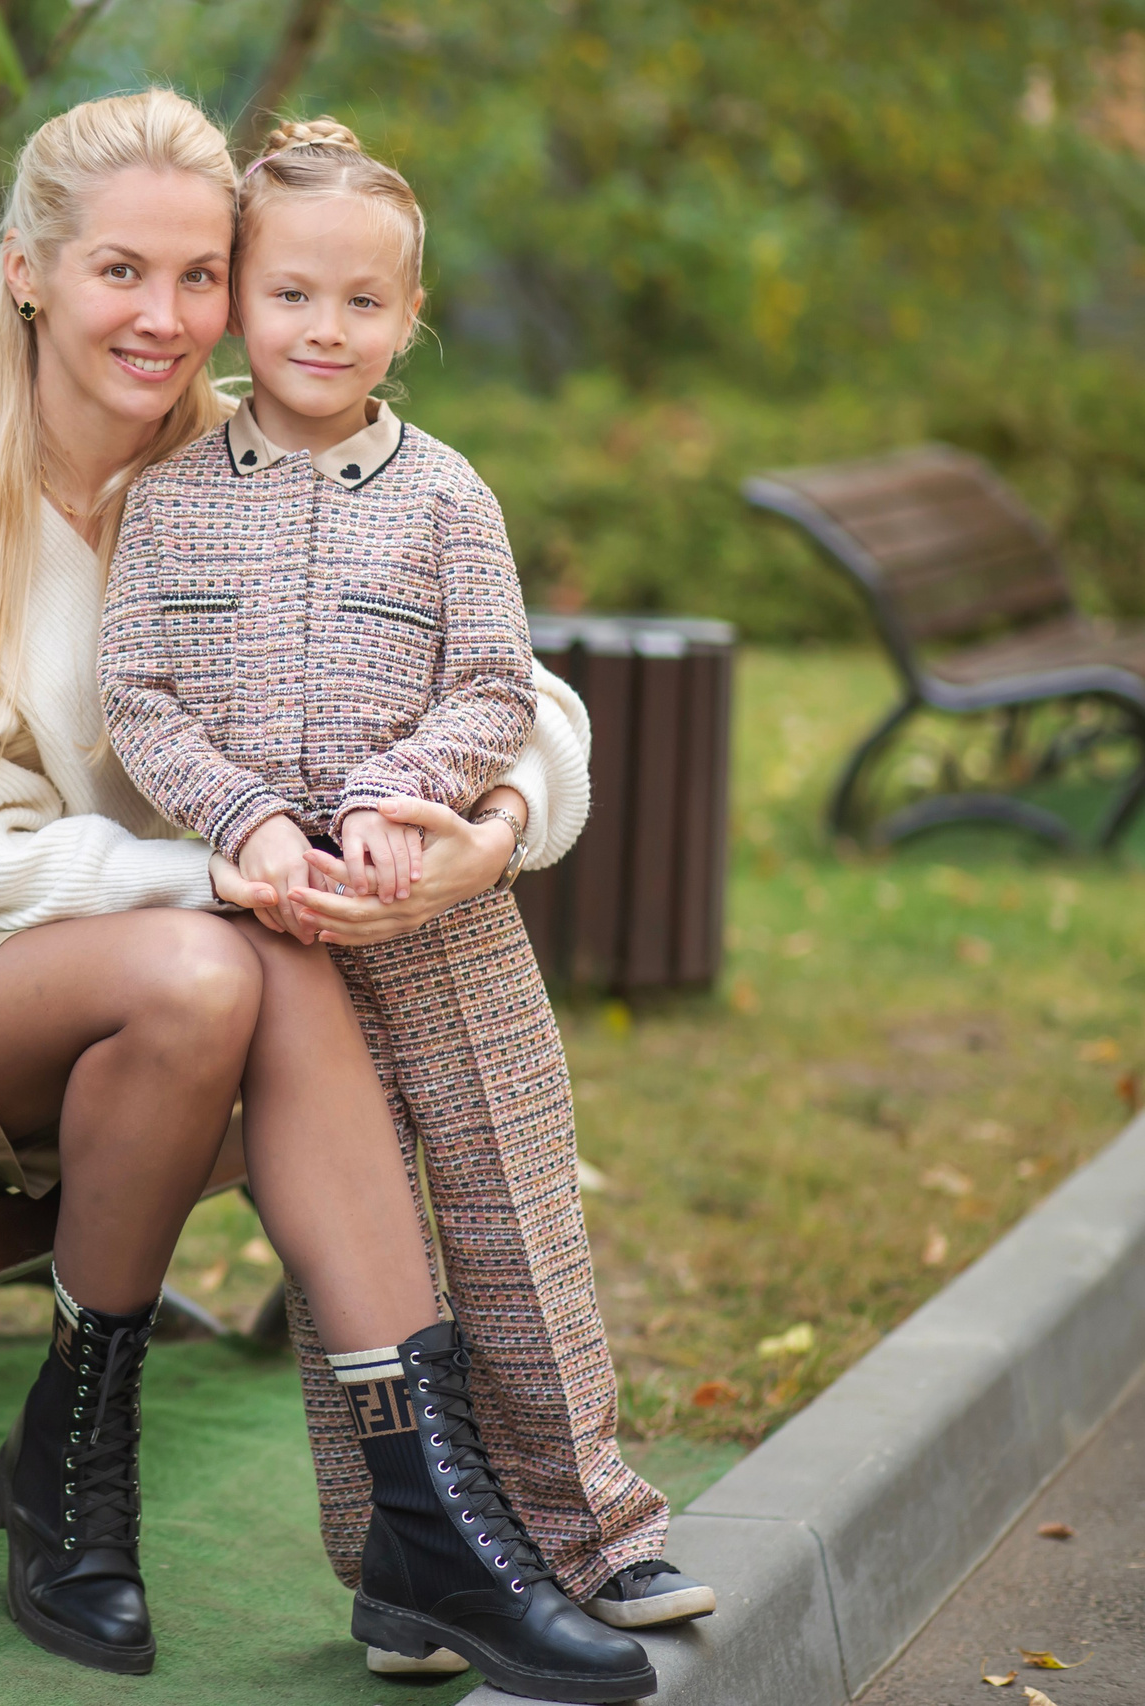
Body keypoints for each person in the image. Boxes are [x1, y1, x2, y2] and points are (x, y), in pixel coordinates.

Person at [0, 89, 618, 1688]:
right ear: (26, 271)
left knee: (233, 962)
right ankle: (93, 1464)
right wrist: (227, 860)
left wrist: (483, 825)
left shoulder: (250, 462)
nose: (166, 317)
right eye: (119, 273)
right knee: (224, 960)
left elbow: (514, 686)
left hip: (152, 960)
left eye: (201, 275)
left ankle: (427, 1515)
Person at [99, 116, 716, 1696]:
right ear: (242, 303)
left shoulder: (447, 496)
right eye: (293, 296)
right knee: (349, 1271)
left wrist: (406, 794)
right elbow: (140, 695)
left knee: (513, 1223)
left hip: (443, 929)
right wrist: (241, 817)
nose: (325, 331)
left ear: (411, 312)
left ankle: (596, 1532)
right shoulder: (172, 499)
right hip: (287, 947)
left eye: (363, 304)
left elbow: (498, 681)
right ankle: (394, 1574)